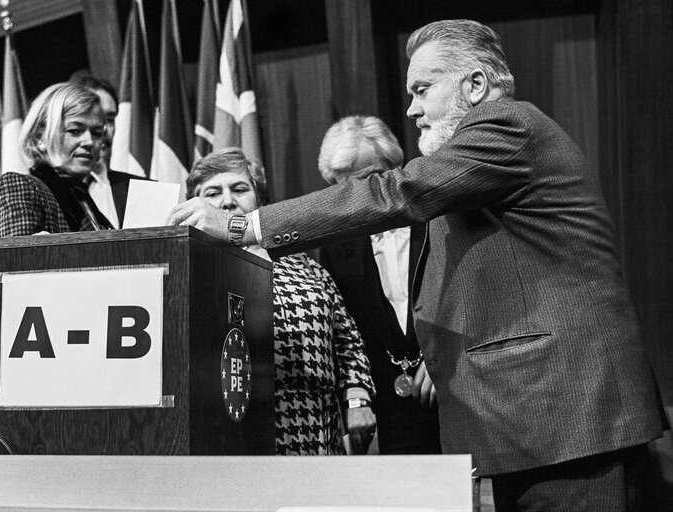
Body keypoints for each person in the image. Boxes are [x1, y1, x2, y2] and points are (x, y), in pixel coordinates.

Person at [172, 19, 667, 510]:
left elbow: (398, 192)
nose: (412, 109)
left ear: (475, 85)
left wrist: (242, 227)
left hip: (568, 417)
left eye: (423, 89)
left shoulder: (506, 126)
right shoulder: (484, 159)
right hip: (537, 422)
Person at [187, 147, 376, 455]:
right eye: (212, 193)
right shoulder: (195, 270)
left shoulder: (303, 264)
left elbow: (347, 341)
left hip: (318, 432)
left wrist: (357, 397)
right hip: (239, 434)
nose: (227, 201)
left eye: (239, 189)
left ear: (260, 200)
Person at [316, 115, 441, 455]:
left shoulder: (439, 221)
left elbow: (470, 297)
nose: (360, 196)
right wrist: (356, 399)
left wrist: (445, 357)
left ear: (395, 166)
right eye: (345, 187)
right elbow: (339, 335)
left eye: (370, 178)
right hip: (378, 413)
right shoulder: (332, 248)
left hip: (449, 396)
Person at [0, 82, 114, 237]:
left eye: (97, 133)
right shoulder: (20, 187)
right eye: (75, 131)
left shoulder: (84, 199)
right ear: (40, 137)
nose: (89, 142)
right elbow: (17, 260)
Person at [69, 70, 146, 229]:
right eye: (91, 117)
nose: (102, 129)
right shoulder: (46, 192)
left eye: (109, 119)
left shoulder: (146, 192)